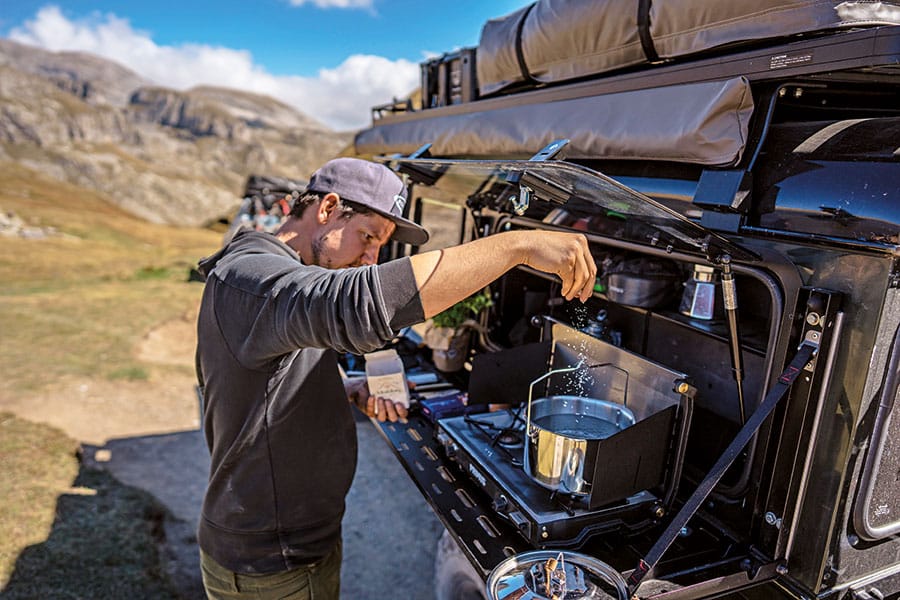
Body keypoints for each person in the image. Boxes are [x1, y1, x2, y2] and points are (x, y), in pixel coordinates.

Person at [195, 157, 596, 599]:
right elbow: (353, 303)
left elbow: (264, 376)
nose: (369, 258)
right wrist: (514, 247)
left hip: (296, 543)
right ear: (327, 208)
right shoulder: (253, 275)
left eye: (379, 247)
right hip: (273, 559)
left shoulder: (281, 274)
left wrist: (343, 389)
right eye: (367, 237)